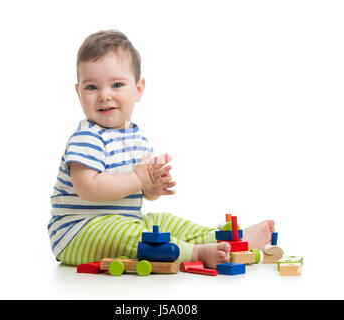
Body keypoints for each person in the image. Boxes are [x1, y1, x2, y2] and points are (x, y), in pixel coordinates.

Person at [48, 30, 275, 269]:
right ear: (78, 92)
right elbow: (89, 188)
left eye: (116, 84)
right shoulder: (86, 136)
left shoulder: (137, 138)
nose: (104, 95)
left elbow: (141, 192)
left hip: (125, 221)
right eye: (92, 87)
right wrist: (138, 178)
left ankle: (225, 239)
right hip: (77, 233)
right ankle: (195, 252)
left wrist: (152, 187)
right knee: (127, 234)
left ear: (138, 89)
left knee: (162, 222)